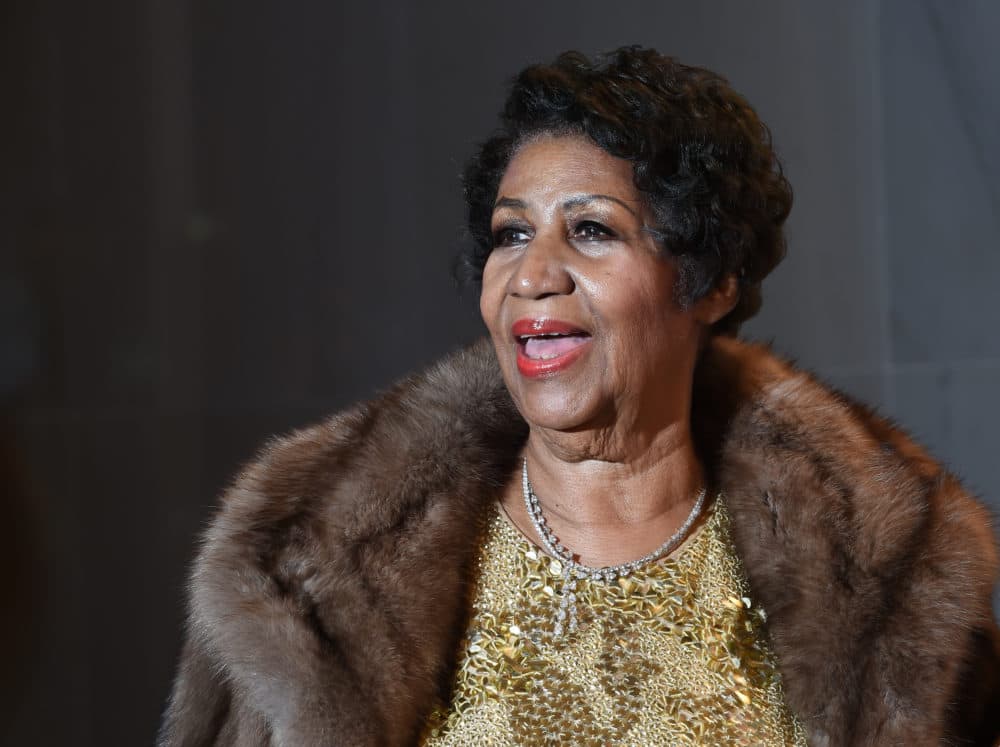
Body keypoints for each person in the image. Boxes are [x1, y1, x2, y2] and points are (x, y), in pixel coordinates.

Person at [159, 47, 999, 746]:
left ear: (709, 282)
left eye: (591, 230)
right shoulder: (305, 569)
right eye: (510, 234)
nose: (531, 274)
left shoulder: (887, 578)